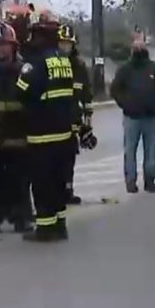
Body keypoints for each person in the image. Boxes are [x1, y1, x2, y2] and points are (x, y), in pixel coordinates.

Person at [15, 10, 75, 242]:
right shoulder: (64, 61)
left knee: (42, 185)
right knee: (58, 184)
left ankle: (45, 229)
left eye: (35, 36)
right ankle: (60, 225)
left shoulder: (36, 64)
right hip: (63, 135)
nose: (32, 40)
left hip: (41, 136)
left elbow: (21, 92)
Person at [0, 22, 33, 233]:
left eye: (5, 45)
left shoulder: (23, 70)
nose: (1, 49)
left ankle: (21, 218)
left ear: (13, 47)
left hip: (18, 134)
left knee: (20, 181)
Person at [110, 38, 155, 194]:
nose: (138, 49)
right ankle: (131, 182)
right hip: (131, 117)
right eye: (135, 47)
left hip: (151, 116)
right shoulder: (125, 69)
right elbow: (115, 90)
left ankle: (150, 181)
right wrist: (126, 104)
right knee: (130, 151)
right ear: (132, 50)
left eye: (140, 47)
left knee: (151, 151)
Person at [57, 24, 94, 205]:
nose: (65, 47)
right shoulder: (53, 64)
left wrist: (87, 124)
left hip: (73, 118)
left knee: (69, 157)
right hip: (55, 118)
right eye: (62, 43)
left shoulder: (79, 66)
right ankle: (56, 189)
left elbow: (86, 94)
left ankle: (68, 190)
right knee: (55, 157)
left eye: (68, 44)